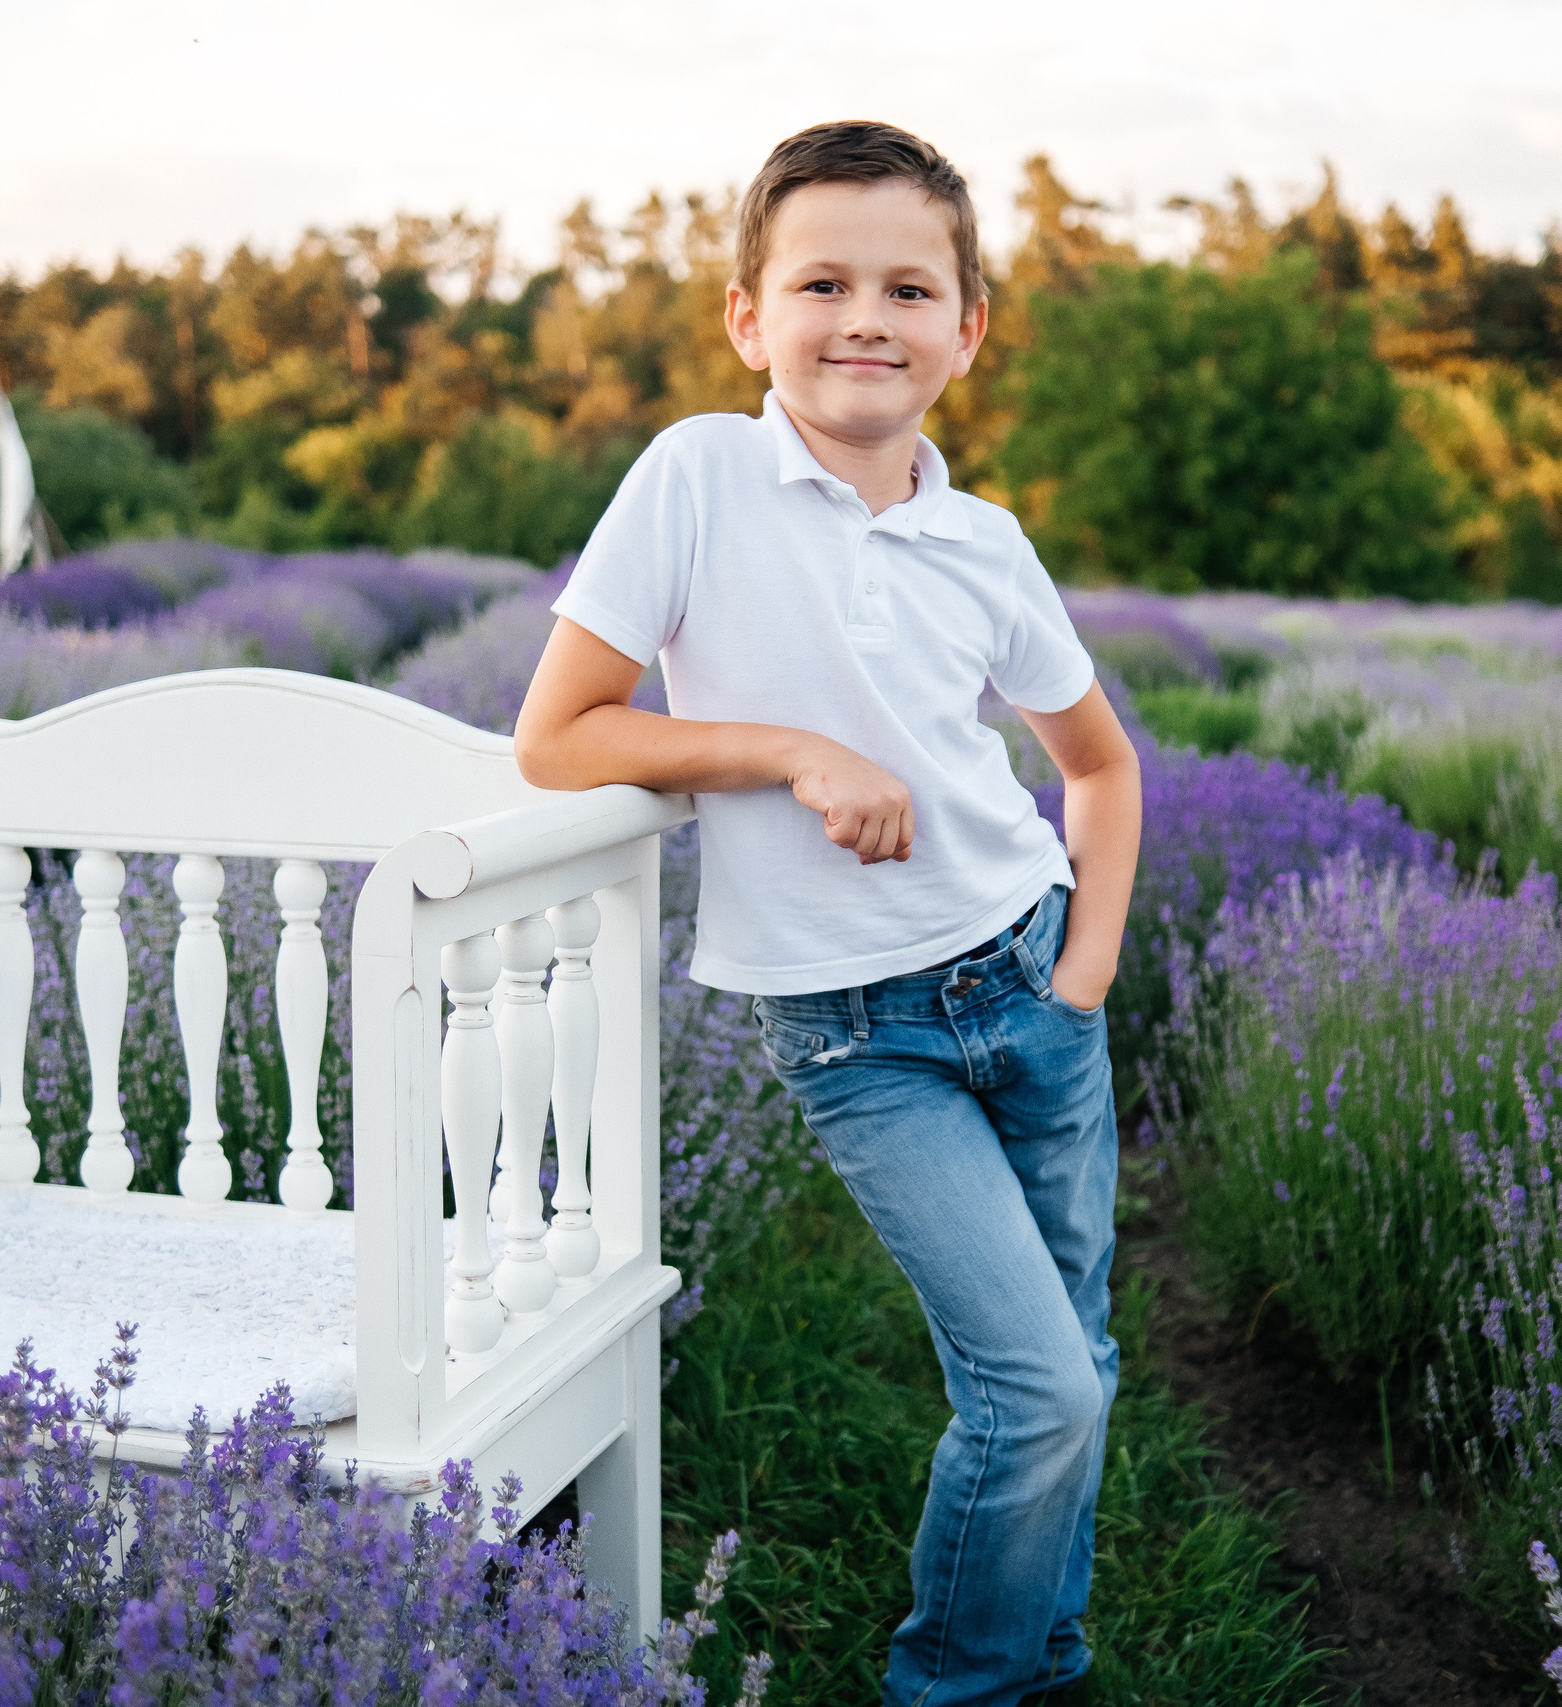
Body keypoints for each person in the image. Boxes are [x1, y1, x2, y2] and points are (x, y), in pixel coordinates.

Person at [513, 119, 1142, 1707]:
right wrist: (793, 750)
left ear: (967, 330)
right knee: (1038, 1388)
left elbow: (1100, 767)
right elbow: (561, 732)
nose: (867, 317)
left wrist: (1085, 975)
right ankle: (961, 1686)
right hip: (861, 1035)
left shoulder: (983, 540)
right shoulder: (700, 474)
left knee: (1076, 1370)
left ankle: (1045, 1657)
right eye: (823, 282)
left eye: (910, 287)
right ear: (749, 319)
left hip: (1028, 981)